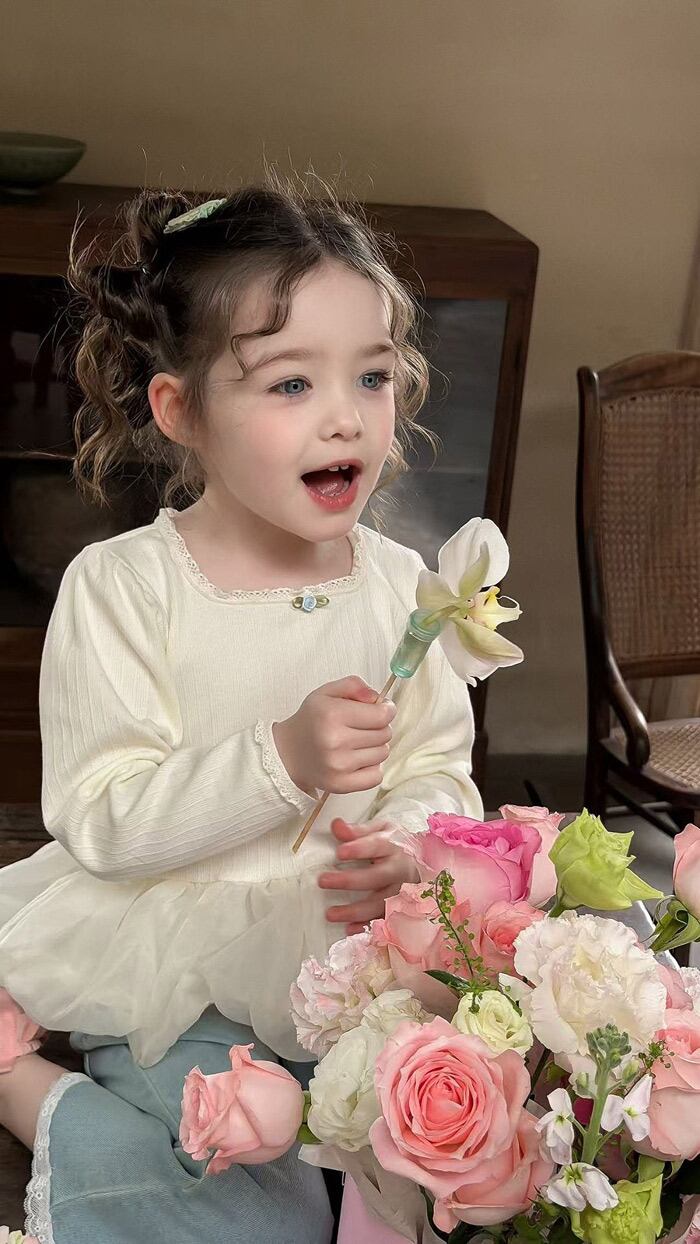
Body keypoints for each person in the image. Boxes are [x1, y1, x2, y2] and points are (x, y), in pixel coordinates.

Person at [0, 172, 485, 1243]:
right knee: (255, 1212)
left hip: (349, 960)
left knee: (437, 1179)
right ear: (182, 412)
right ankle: (26, 1085)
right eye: (290, 384)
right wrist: (278, 759)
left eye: (371, 375)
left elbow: (439, 767)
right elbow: (103, 816)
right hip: (174, 971)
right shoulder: (126, 588)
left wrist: (409, 842)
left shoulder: (402, 588)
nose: (346, 416)